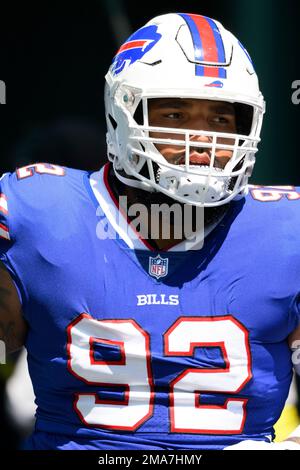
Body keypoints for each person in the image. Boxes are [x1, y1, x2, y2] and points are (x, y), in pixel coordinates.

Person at [0, 11, 300, 451]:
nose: (203, 142)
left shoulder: (284, 233)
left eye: (221, 120)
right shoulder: (40, 216)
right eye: (175, 114)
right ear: (122, 115)